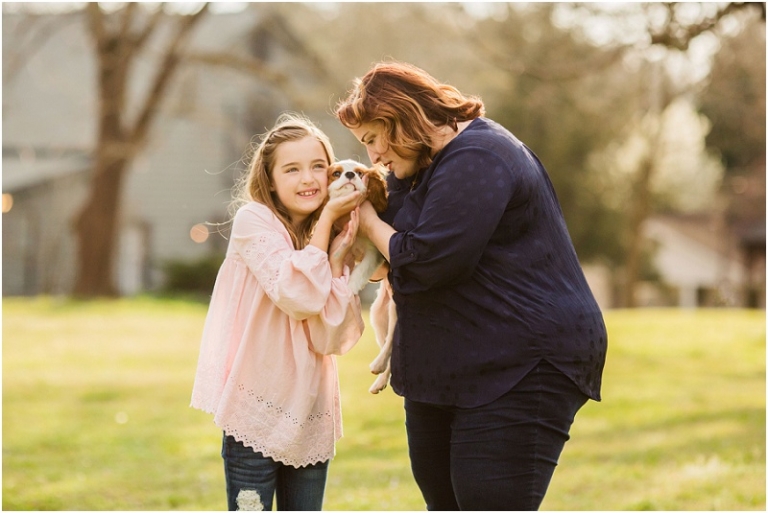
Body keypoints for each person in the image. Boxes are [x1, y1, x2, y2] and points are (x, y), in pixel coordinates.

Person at [334, 61, 607, 511]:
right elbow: (392, 255)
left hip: (520, 361)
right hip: (448, 365)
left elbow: (429, 261)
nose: (374, 157)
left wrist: (366, 220)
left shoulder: (481, 155)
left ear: (403, 118)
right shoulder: (415, 167)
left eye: (372, 139)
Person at [191, 113, 366, 511]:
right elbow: (296, 294)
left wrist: (337, 256)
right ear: (270, 179)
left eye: (318, 167)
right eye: (292, 169)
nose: (309, 179)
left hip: (309, 412)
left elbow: (332, 336)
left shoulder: (335, 235)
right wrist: (326, 227)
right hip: (255, 411)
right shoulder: (254, 221)